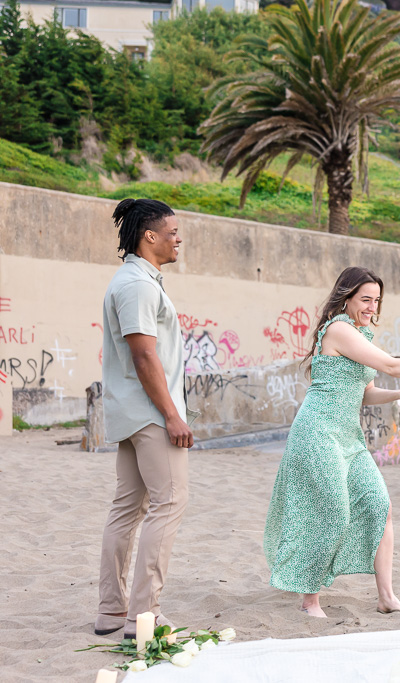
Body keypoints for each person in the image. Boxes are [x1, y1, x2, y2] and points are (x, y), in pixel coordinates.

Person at [264, 267, 400, 618]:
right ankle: (309, 601)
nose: (372, 307)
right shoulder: (340, 329)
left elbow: (365, 392)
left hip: (348, 436)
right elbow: (391, 363)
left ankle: (386, 596)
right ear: (346, 297)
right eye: (365, 299)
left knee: (379, 505)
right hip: (318, 431)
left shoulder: (362, 333)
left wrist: (398, 395)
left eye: (376, 301)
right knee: (332, 511)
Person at [95, 198, 194, 638]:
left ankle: (111, 612)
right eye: (172, 232)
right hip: (150, 415)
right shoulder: (136, 284)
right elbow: (143, 354)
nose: (179, 239)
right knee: (169, 503)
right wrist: (172, 415)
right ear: (149, 236)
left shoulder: (137, 280)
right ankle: (143, 615)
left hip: (131, 413)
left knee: (127, 509)